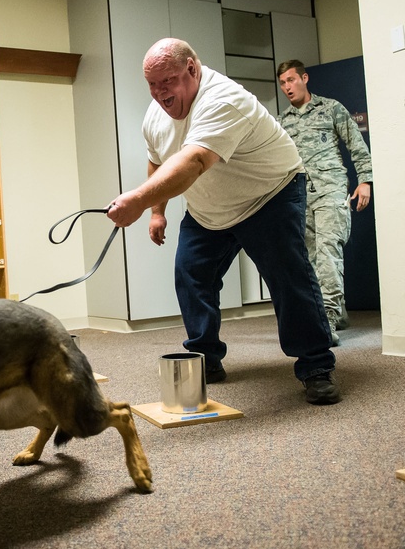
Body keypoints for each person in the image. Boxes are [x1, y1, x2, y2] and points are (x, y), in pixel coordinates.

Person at [106, 38, 340, 405]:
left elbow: (194, 161)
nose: (159, 92)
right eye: (151, 83)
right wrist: (156, 211)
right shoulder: (156, 115)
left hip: (268, 195)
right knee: (190, 275)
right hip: (208, 209)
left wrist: (137, 199)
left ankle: (315, 365)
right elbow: (160, 159)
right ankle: (207, 359)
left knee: (288, 277)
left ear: (192, 70)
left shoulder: (224, 99)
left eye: (167, 80)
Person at [276, 60, 373, 345]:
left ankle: (326, 320)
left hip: (330, 190)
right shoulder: (282, 122)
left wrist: (365, 181)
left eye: (291, 80)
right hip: (299, 197)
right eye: (282, 83)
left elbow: (356, 144)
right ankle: (335, 311)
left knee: (328, 253)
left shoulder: (332, 109)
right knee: (311, 259)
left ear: (304, 78)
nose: (287, 87)